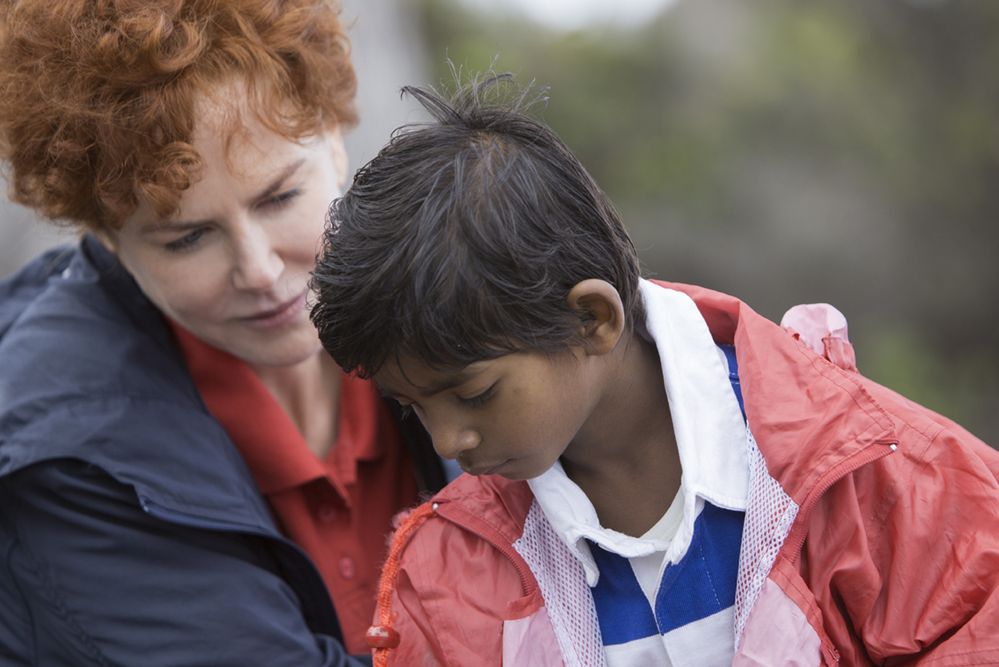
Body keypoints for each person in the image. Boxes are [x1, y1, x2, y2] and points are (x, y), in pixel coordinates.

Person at [309, 73, 999, 666]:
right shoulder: (446, 576)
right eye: (413, 407)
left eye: (472, 393)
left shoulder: (865, 469)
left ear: (591, 320)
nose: (446, 440)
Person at [0, 2, 447, 665]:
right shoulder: (65, 451)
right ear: (106, 239)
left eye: (279, 198)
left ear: (332, 141)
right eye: (187, 237)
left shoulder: (458, 305)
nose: (260, 270)